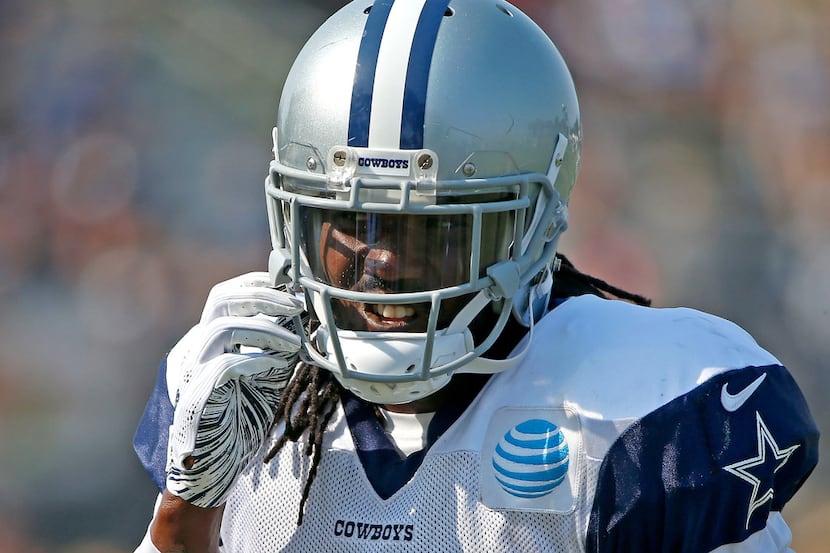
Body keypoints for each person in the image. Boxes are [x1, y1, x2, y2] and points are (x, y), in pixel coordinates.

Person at [132, 0, 819, 551]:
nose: (384, 263)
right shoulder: (237, 382)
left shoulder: (645, 416)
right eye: (352, 223)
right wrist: (186, 518)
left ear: (531, 223)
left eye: (434, 228)